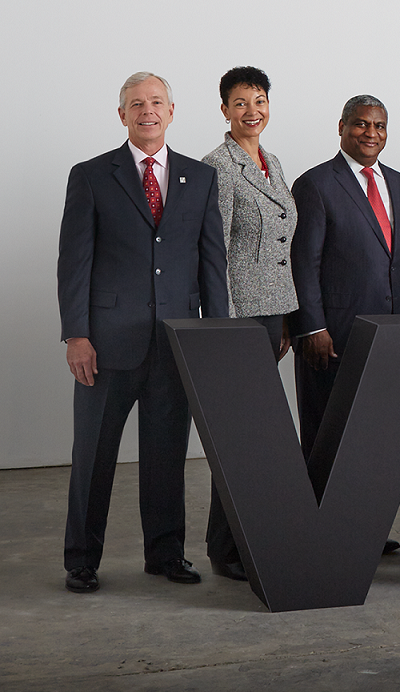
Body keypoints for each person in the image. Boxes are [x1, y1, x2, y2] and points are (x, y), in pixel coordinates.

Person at [57, 72, 230, 593]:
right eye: (137, 104)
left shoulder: (199, 178)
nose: (147, 110)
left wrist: (215, 337)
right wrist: (76, 335)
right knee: (94, 455)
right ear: (122, 115)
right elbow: (74, 263)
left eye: (156, 102)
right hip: (106, 344)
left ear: (172, 112)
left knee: (165, 455)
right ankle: (81, 559)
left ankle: (166, 554)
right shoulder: (90, 176)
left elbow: (211, 264)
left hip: (175, 341)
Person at [289, 94, 400, 558]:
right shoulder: (315, 185)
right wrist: (311, 328)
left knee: (374, 439)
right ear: (341, 127)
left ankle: (364, 527)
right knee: (327, 435)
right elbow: (303, 264)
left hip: (389, 337)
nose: (371, 134)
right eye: (361, 125)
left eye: (379, 126)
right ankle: (319, 530)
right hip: (334, 337)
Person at [199, 66, 299, 580]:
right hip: (238, 318)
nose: (251, 111)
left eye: (259, 100)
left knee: (260, 434)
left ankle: (250, 536)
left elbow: (279, 249)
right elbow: (211, 252)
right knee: (238, 433)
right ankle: (224, 548)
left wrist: (282, 318)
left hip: (270, 316)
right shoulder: (215, 167)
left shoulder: (272, 161)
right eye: (240, 103)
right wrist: (224, 325)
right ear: (224, 110)